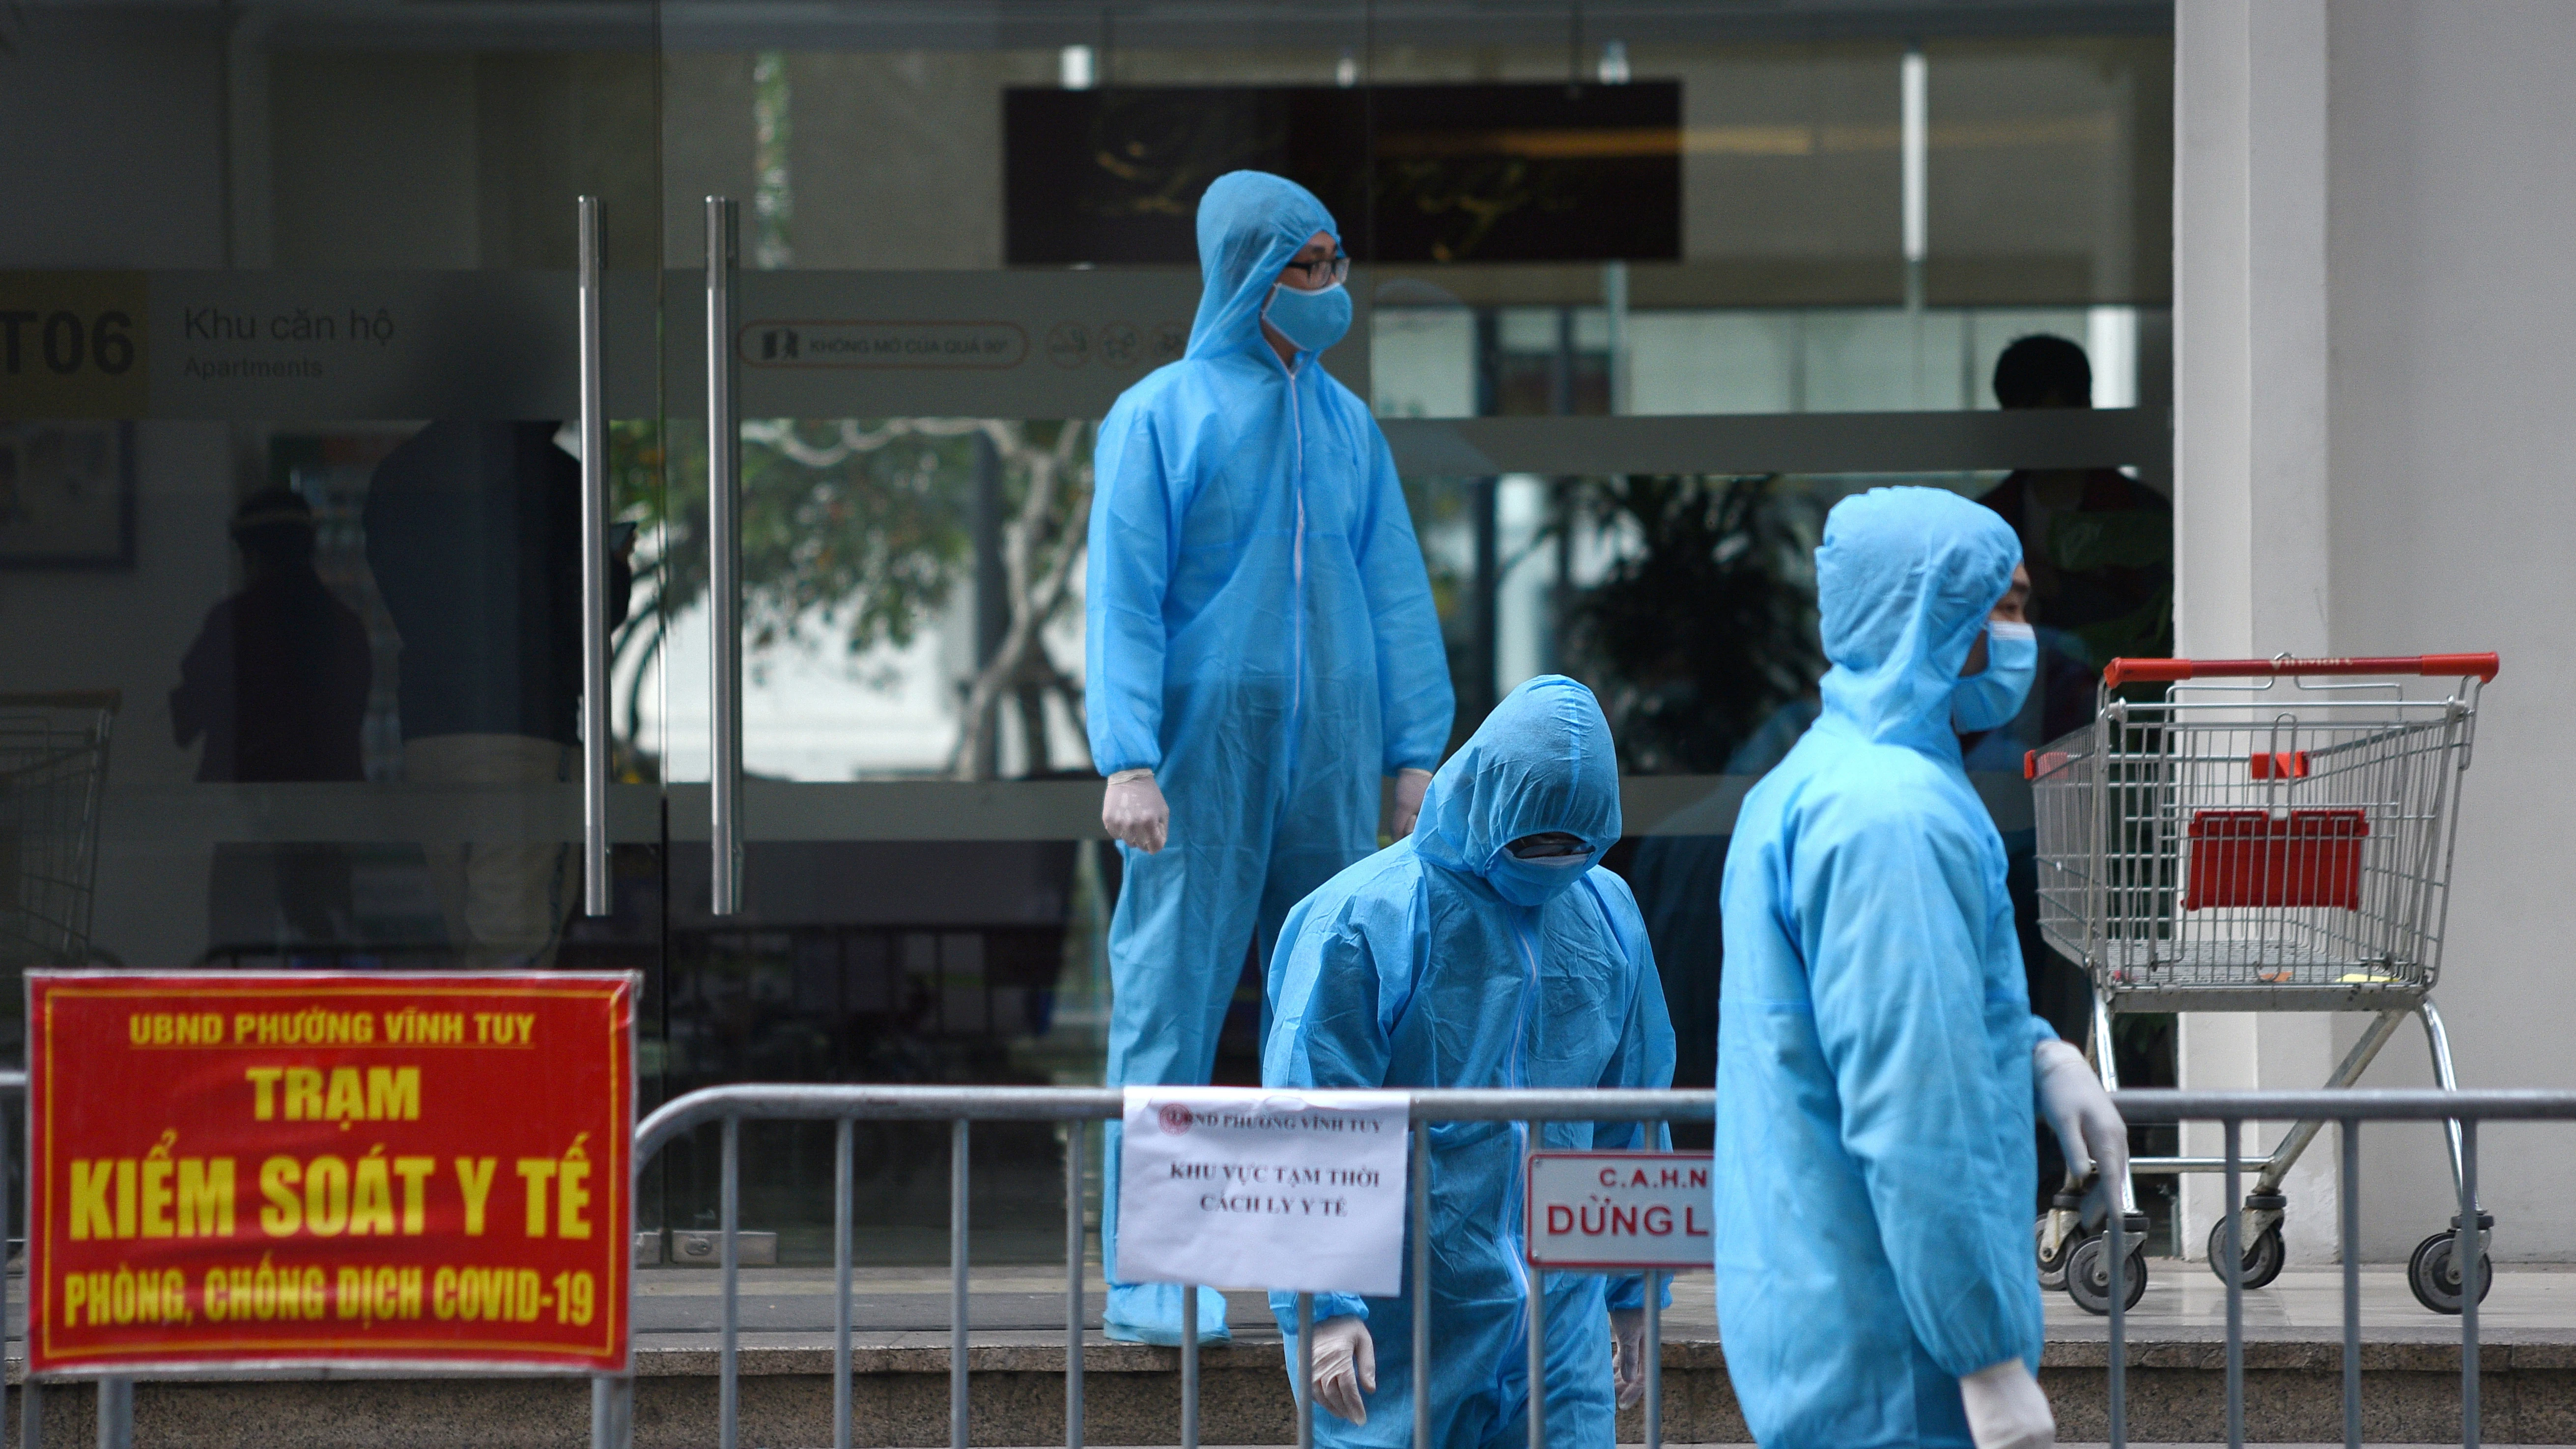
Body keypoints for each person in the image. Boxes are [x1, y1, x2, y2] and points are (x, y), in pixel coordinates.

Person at [1085, 170, 1454, 1343]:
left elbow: (1397, 591)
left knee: (1333, 998)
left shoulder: (1350, 426)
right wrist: (1128, 756)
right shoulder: (1161, 415)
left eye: (1336, 263)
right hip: (1198, 754)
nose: (1328, 288)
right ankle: (1153, 1277)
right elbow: (1125, 601)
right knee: (1169, 1001)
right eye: (1305, 267)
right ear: (1247, 273)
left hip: (1337, 750)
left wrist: (1413, 751)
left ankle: (1330, 1271)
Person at [1713, 487, 2127, 1449]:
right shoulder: (1890, 814)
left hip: (1838, 1324)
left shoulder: (1822, 782)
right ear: (1929, 614)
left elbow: (1879, 1020)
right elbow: (1913, 1106)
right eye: (2007, 606)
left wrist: (2028, 1052)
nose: (2023, 636)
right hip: (1898, 1354)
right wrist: (1980, 1353)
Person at [1263, 675, 1674, 1449]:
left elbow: (1629, 1110)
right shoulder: (1367, 915)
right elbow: (1310, 1116)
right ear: (1486, 802)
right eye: (1532, 841)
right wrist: (1325, 1305)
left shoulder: (1606, 910)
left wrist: (1633, 1287)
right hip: (1400, 1322)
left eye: (1575, 844)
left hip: (1561, 1330)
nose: (1554, 863)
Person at [364, 421, 630, 969]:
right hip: (524, 726)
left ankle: (475, 1053)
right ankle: (507, 1058)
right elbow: (589, 606)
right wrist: (617, 567)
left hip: (430, 730)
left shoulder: (400, 473)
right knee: (515, 948)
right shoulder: (554, 476)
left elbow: (396, 595)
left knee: (467, 940)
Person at [171, 487, 373, 952]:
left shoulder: (233, 623)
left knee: (241, 961)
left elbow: (185, 722)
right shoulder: (345, 627)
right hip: (327, 823)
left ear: (250, 553)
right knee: (324, 958)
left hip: (248, 820)